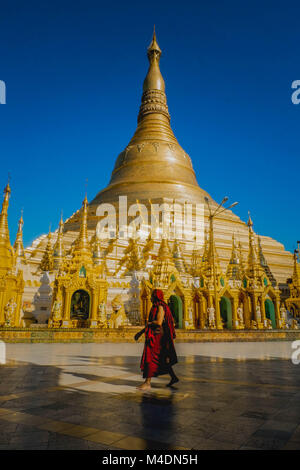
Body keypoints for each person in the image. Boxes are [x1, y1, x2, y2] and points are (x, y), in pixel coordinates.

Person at [135, 289, 178, 391]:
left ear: (156, 297)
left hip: (158, 337)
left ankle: (147, 383)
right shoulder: (157, 306)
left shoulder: (160, 307)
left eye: (152, 296)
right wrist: (140, 333)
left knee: (150, 358)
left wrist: (149, 324)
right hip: (156, 334)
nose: (150, 298)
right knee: (161, 358)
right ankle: (174, 377)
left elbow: (158, 322)